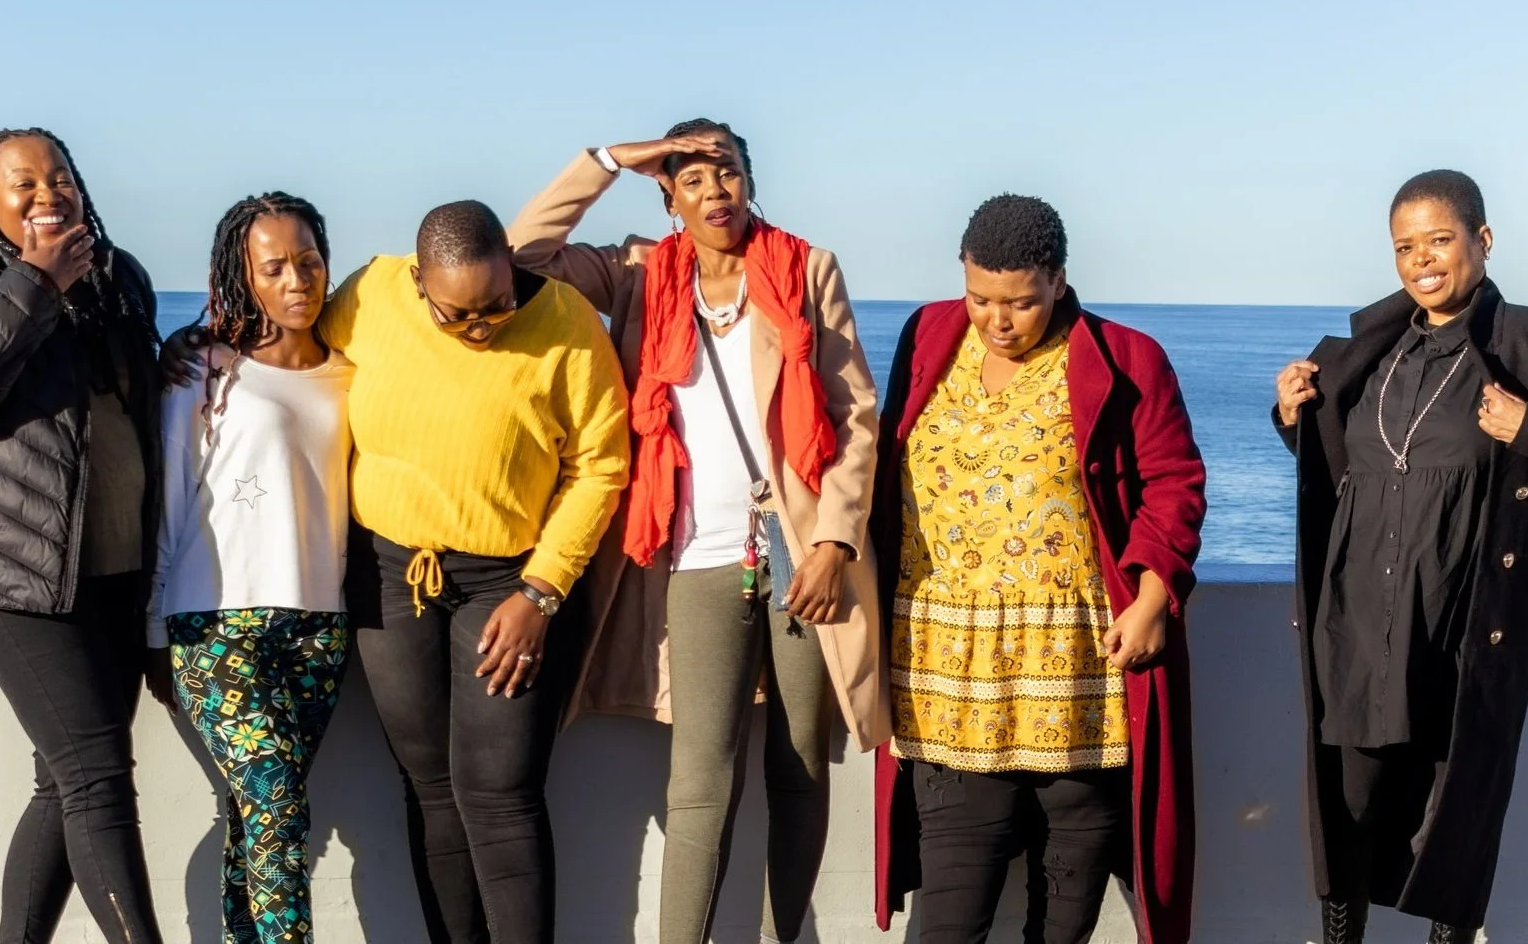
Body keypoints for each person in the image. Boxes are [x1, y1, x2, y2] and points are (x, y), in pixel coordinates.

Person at [509, 122, 889, 944]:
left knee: (798, 767)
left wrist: (833, 542)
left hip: (799, 549)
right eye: (693, 178)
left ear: (750, 180)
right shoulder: (637, 271)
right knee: (698, 784)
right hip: (692, 556)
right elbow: (518, 255)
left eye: (729, 173)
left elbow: (855, 415)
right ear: (668, 194)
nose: (716, 191)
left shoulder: (806, 268)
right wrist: (611, 159)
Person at [1272, 170, 1528, 944]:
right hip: (1357, 612)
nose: (1421, 260)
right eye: (1404, 246)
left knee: (1452, 805)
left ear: (1482, 239)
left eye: (1438, 240)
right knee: (1349, 798)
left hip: (1461, 618)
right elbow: (1347, 469)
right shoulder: (1365, 352)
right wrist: (1290, 414)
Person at [869, 193, 1205, 944]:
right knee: (948, 925)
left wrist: (1152, 598)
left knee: (1059, 929)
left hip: (1081, 684)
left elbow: (1174, 485)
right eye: (979, 297)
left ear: (1057, 279)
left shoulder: (1126, 357)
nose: (996, 319)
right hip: (947, 686)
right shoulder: (926, 334)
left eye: (1020, 302)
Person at [332, 200, 632, 944]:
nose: (480, 327)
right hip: (390, 576)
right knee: (430, 789)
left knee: (499, 797)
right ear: (417, 280)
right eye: (456, 315)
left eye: (496, 305)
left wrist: (541, 589)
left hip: (510, 584)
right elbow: (291, 343)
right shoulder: (371, 293)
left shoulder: (567, 324)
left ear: (510, 262)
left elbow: (600, 467)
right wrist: (204, 344)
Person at [0, 127, 167, 944]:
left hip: (115, 573)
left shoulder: (121, 279)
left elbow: (137, 405)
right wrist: (35, 281)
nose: (48, 193)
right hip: (9, 576)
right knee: (98, 780)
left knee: (64, 782)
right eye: (24, 183)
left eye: (60, 178)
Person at [145, 193, 353, 944]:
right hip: (215, 625)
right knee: (278, 809)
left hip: (319, 628)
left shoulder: (352, 371)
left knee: (256, 817)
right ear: (244, 276)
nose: (297, 280)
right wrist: (154, 629)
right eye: (274, 267)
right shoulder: (204, 368)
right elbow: (168, 499)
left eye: (309, 261)